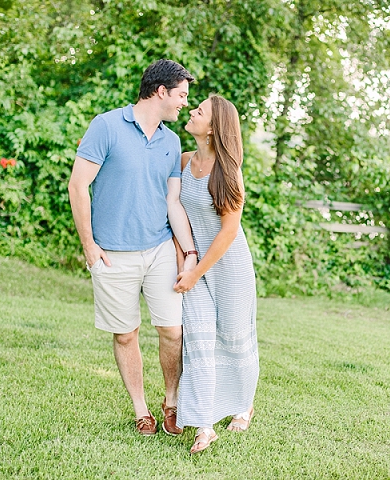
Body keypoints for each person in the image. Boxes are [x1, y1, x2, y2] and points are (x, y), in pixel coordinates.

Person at [68, 59, 198, 437]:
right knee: (126, 334)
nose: (184, 104)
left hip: (159, 249)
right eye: (181, 95)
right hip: (112, 253)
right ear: (161, 92)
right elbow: (79, 186)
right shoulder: (106, 126)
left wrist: (188, 252)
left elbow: (173, 202)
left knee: (172, 331)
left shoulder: (172, 142)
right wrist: (89, 246)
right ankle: (142, 411)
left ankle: (171, 402)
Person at [173, 94, 260, 454]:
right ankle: (204, 426)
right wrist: (186, 264)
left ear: (213, 128)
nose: (192, 111)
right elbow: (175, 215)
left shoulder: (229, 172)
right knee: (198, 341)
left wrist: (195, 273)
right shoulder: (182, 161)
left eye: (200, 111)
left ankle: (243, 404)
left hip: (231, 268)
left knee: (235, 338)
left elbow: (228, 232)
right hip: (194, 266)